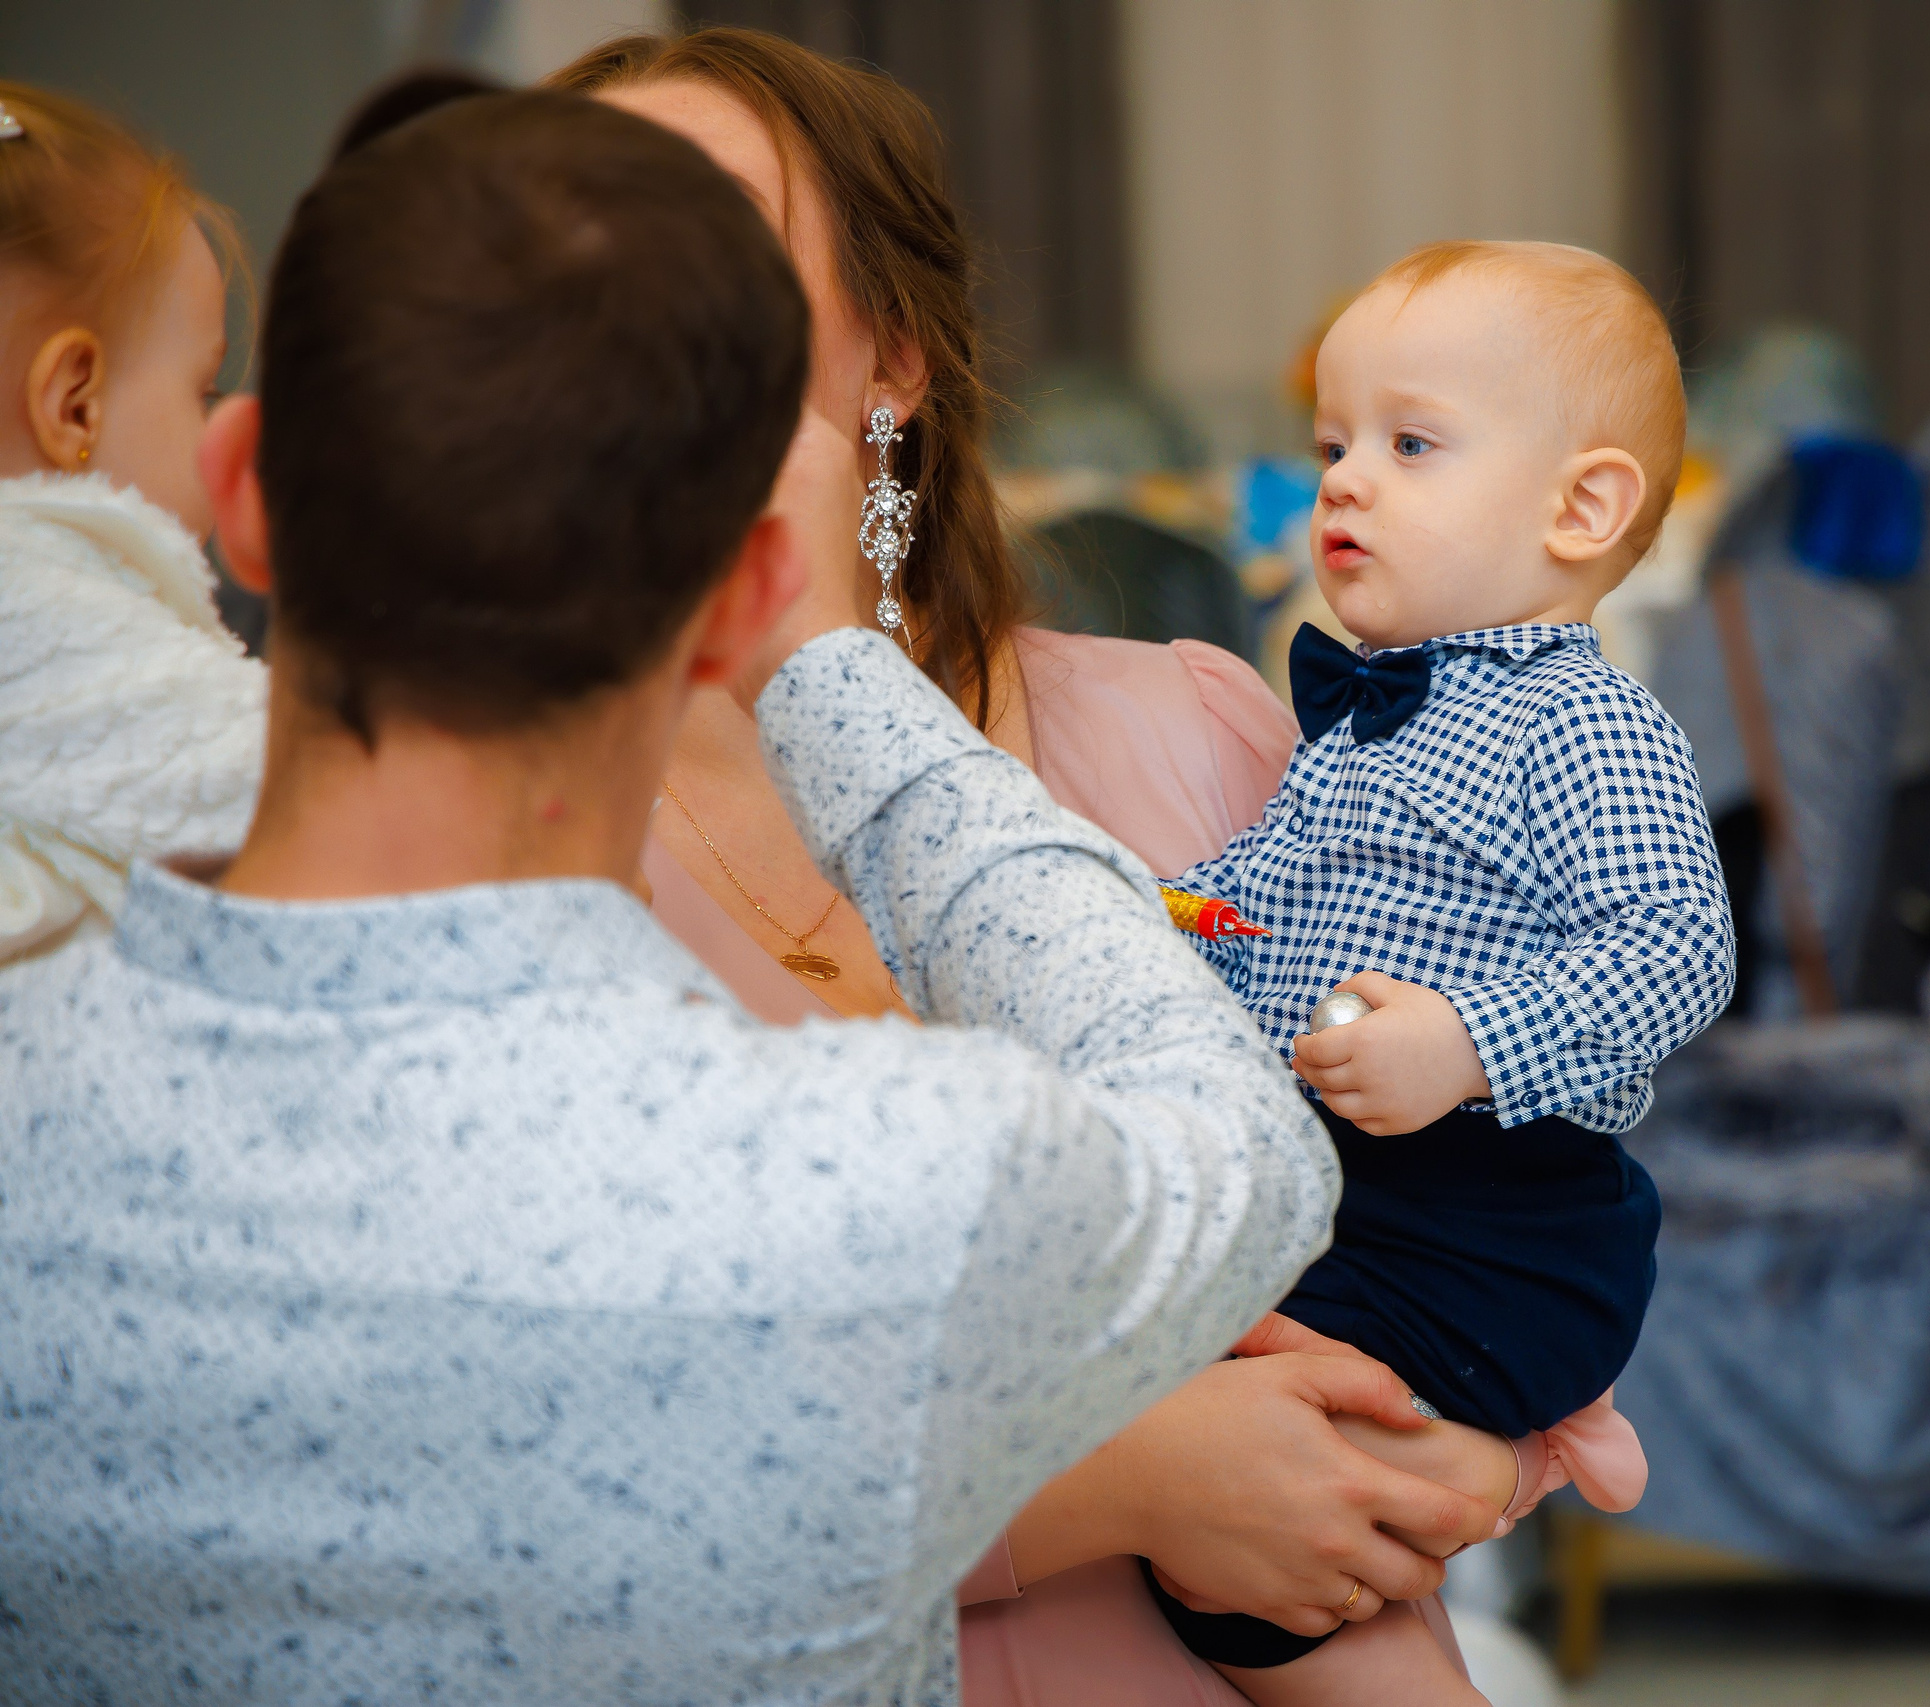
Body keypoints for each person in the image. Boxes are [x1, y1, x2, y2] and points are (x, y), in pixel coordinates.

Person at [0, 90, 1349, 1703]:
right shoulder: (873, 1177)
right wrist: (836, 673)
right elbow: (1248, 1142)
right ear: (746, 591)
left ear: (246, 489)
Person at [546, 29, 1499, 1702]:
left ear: (890, 365)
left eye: (711, 246)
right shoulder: (503, 853)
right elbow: (550, 1486)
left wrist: (1475, 1439)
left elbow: (1473, 1186)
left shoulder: (1195, 734)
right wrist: (1115, 1482)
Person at [1160, 240, 1736, 1703]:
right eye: (1334, 444)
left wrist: (1469, 1040)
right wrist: (1151, 910)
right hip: (1357, 1188)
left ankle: (1498, 1453)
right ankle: (1507, 1452)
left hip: (1495, 1208)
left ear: (1583, 506)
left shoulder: (1586, 722)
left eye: (1410, 443)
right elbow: (1260, 895)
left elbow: (1679, 947)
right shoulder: (1360, 726)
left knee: (1236, 1522)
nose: (1345, 480)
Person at [0, 81, 262, 970]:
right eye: (202, 391)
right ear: (73, 404)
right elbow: (286, 796)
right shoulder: (35, 600)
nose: (223, 425)